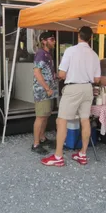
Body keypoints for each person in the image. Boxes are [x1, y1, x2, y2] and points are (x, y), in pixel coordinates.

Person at [41, 26, 101, 166]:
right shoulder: (94, 54)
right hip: (88, 88)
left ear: (78, 35)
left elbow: (61, 74)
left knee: (61, 121)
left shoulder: (70, 51)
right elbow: (97, 79)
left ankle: (58, 157)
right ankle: (82, 154)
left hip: (73, 88)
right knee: (85, 120)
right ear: (91, 38)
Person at [32, 31, 58, 155]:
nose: (54, 41)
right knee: (40, 117)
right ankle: (36, 144)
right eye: (52, 39)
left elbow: (47, 73)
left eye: (54, 39)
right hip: (42, 92)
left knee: (46, 115)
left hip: (48, 91)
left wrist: (57, 76)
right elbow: (37, 72)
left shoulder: (48, 54)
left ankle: (42, 138)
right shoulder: (41, 54)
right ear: (44, 41)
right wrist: (47, 88)